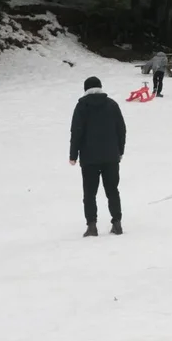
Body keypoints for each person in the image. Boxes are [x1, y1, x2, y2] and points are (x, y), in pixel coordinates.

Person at [69, 76, 127, 237]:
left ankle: (92, 226)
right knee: (112, 190)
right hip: (111, 157)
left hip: (89, 158)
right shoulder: (112, 105)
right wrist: (119, 151)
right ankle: (117, 223)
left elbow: (76, 132)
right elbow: (121, 129)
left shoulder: (82, 107)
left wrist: (73, 154)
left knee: (89, 193)